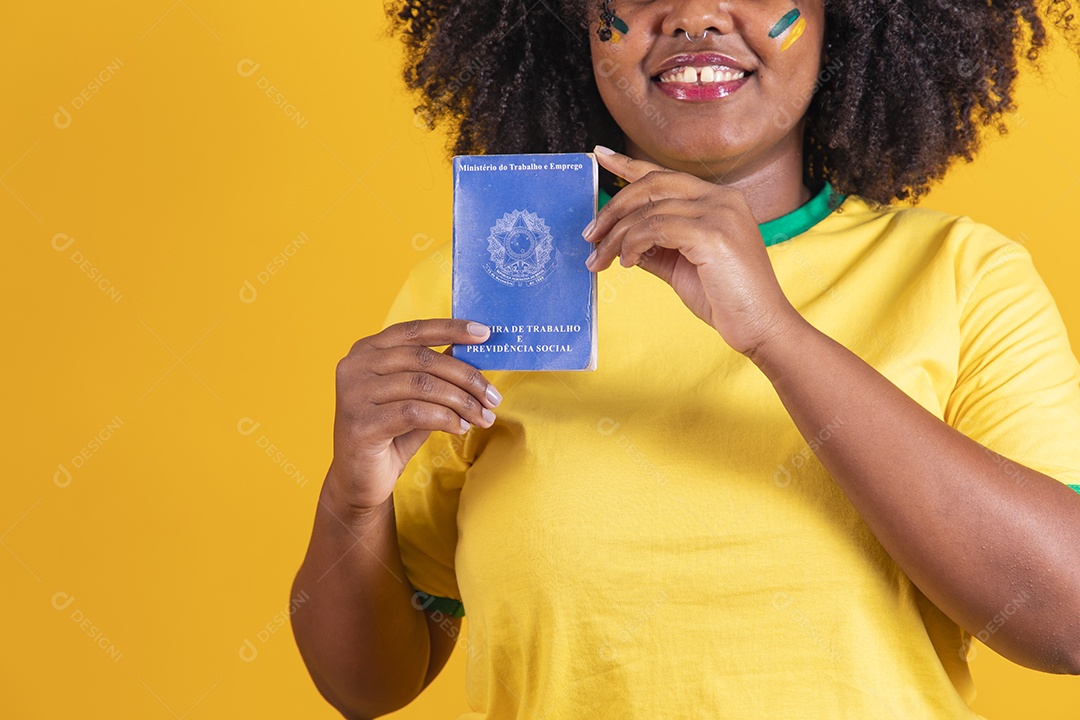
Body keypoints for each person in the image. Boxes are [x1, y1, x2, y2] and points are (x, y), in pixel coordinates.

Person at [290, 1, 1080, 717]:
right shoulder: (490, 290)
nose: (697, 15)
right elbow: (367, 686)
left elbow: (1068, 623)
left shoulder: (962, 274)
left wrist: (777, 335)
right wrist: (351, 503)